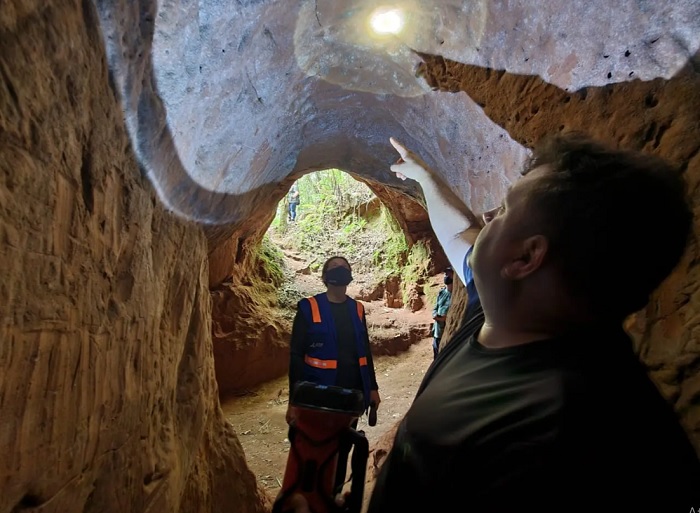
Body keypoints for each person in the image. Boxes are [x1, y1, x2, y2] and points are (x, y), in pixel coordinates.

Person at [363, 133, 700, 512]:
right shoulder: (511, 310)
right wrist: (425, 178)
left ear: (526, 258)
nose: (487, 216)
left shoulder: (567, 439)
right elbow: (461, 235)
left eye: (504, 210)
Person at [288, 255, 381, 494]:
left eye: (344, 268)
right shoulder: (308, 307)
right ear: (325, 276)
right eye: (333, 268)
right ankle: (313, 499)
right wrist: (293, 401)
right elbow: (296, 356)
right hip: (319, 396)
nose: (339, 271)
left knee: (343, 449)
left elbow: (365, 351)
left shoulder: (357, 309)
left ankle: (335, 498)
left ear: (349, 275)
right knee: (316, 451)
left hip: (351, 395)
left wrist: (372, 388)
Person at [431, 266, 454, 360]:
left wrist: (444, 318)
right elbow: (435, 308)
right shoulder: (442, 293)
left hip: (447, 335)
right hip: (437, 333)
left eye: (448, 274)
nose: (446, 276)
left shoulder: (455, 296)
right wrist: (435, 314)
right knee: (436, 359)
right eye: (445, 274)